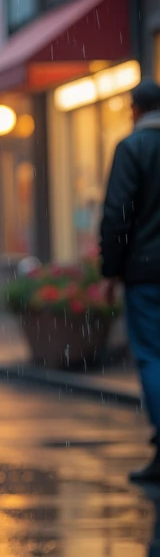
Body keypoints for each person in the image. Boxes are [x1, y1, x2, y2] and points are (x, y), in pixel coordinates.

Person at [100, 78, 160, 484]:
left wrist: (111, 269)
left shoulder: (133, 148)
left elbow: (117, 213)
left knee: (153, 355)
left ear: (136, 109)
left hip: (146, 272)